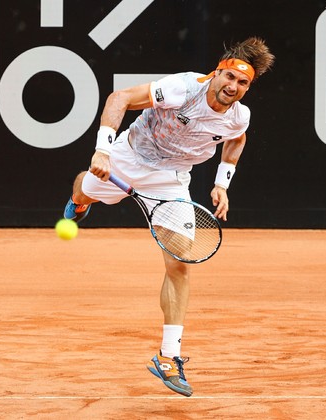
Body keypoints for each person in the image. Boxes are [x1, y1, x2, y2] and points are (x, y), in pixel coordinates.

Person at [63, 37, 274, 397]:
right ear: (219, 69)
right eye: (230, 78)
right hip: (129, 157)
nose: (234, 87)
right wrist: (102, 151)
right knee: (85, 190)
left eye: (243, 84)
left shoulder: (240, 115)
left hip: (172, 178)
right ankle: (79, 201)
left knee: (180, 263)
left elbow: (237, 138)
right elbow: (120, 99)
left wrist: (222, 183)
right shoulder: (183, 88)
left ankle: (168, 356)